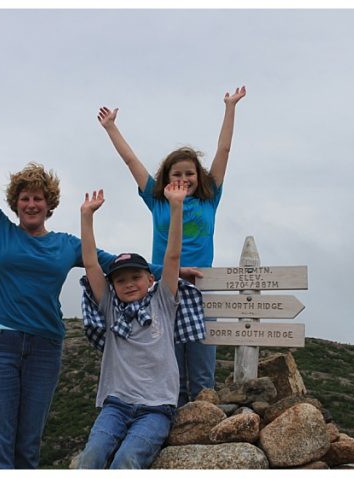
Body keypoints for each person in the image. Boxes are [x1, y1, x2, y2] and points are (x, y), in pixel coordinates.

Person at [0, 103, 124, 469]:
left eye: (38, 198)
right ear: (16, 204)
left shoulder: (65, 245)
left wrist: (173, 269)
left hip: (46, 345)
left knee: (28, 449)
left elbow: (118, 264)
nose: (31, 203)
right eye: (25, 198)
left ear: (50, 205)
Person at [96, 86, 246, 406]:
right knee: (171, 371)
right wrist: (111, 127)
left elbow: (224, 150)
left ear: (198, 176)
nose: (183, 178)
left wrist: (230, 107)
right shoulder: (157, 201)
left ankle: (201, 435)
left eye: (189, 173)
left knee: (203, 376)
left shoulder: (209, 199)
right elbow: (130, 159)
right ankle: (170, 436)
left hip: (202, 290)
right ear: (166, 178)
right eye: (176, 173)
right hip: (165, 291)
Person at [75, 184, 186, 469]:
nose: (128, 284)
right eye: (120, 280)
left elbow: (172, 257)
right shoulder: (111, 308)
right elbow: (90, 264)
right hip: (116, 405)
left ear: (150, 279)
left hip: (156, 409)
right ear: (112, 286)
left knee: (127, 459)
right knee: (91, 457)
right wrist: (86, 217)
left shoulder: (162, 301)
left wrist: (176, 207)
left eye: (135, 276)